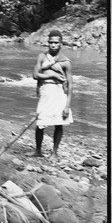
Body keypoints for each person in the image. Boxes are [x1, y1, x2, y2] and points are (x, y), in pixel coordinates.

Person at [33, 29, 73, 158]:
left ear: (61, 44)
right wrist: (54, 75)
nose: (53, 45)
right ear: (48, 43)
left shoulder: (65, 62)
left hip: (59, 92)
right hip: (46, 90)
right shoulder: (42, 57)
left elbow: (71, 84)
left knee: (59, 122)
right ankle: (38, 150)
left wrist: (67, 106)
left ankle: (54, 152)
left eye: (56, 43)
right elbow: (35, 75)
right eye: (51, 42)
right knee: (40, 122)